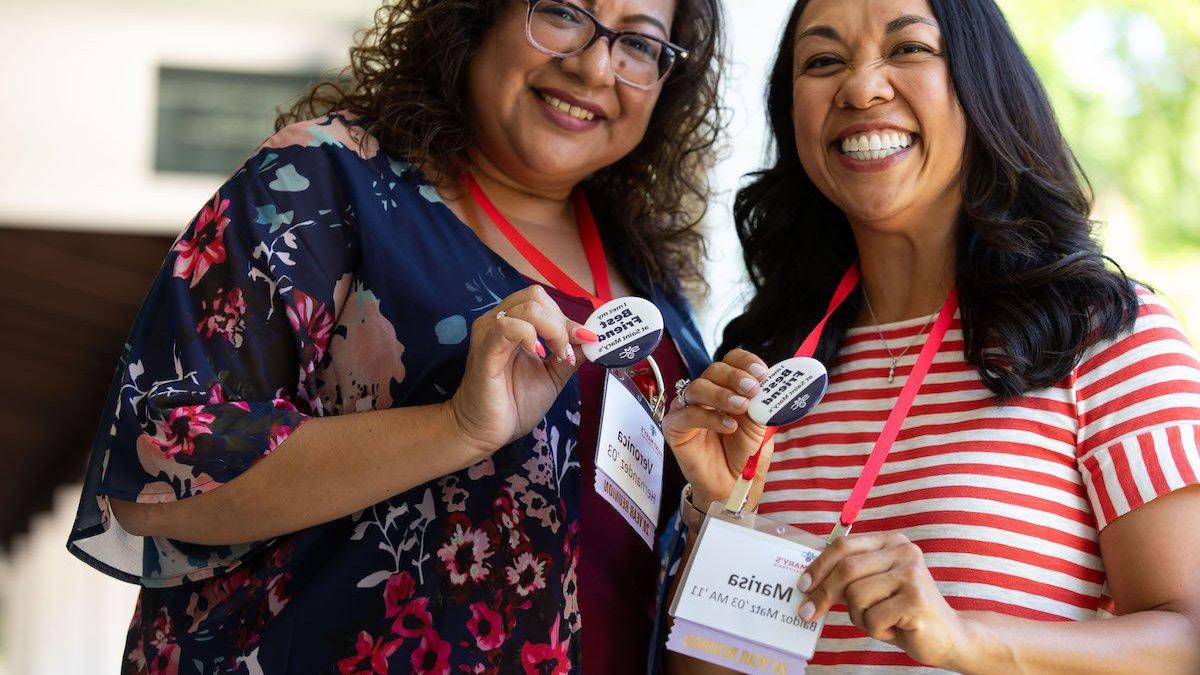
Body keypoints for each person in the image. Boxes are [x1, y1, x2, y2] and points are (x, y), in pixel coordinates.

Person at [66, 0, 724, 672]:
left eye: (639, 45)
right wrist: (454, 427)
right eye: (561, 11)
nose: (593, 65)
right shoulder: (324, 179)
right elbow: (159, 466)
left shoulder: (651, 283)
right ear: (478, 16)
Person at [661, 0, 1200, 672]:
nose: (861, 88)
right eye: (823, 61)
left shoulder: (1110, 336)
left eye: (909, 48)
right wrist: (723, 508)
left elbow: (1188, 640)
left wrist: (962, 640)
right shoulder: (769, 376)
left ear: (981, 81)